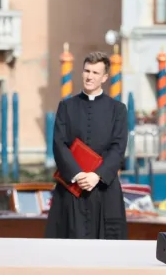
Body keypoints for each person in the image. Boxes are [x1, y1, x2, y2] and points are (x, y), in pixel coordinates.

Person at [45, 51, 128, 240]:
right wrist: (79, 174)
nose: (89, 76)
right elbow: (59, 143)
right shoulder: (66, 106)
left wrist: (96, 175)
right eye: (86, 71)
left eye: (95, 73)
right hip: (72, 188)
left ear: (105, 77)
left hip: (104, 188)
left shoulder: (118, 109)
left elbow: (118, 147)